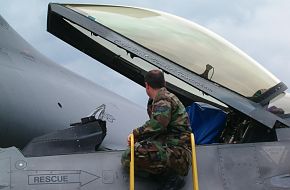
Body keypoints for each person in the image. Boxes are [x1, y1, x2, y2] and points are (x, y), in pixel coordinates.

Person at [121, 70, 192, 190]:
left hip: (178, 155)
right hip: (173, 151)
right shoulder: (161, 99)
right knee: (132, 153)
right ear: (164, 82)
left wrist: (135, 134)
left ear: (147, 85)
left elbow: (158, 124)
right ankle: (163, 177)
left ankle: (170, 178)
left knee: (130, 155)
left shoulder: (163, 99)